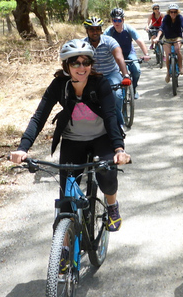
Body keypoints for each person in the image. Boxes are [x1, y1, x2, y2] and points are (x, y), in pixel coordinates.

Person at [9, 39, 131, 231]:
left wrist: (118, 149)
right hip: (73, 141)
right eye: (75, 62)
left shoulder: (101, 84)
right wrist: (23, 148)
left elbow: (110, 117)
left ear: (91, 64)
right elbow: (39, 117)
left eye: (86, 62)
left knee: (107, 176)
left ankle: (112, 205)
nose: (81, 67)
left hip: (101, 138)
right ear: (66, 65)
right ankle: (64, 246)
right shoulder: (59, 85)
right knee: (66, 201)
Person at [83, 17, 131, 126]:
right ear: (87, 31)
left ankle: (118, 124)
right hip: (92, 76)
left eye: (97, 29)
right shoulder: (83, 44)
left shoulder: (109, 41)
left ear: (101, 30)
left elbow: (119, 58)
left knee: (115, 95)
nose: (95, 32)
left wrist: (126, 75)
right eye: (92, 29)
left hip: (111, 74)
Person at [105, 8, 150, 99]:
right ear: (111, 21)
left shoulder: (129, 29)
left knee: (136, 70)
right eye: (114, 20)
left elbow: (140, 41)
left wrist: (146, 54)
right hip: (115, 56)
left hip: (129, 53)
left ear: (123, 20)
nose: (116, 22)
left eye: (119, 20)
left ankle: (133, 89)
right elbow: (102, 43)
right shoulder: (109, 31)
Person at [154, 3, 183, 83]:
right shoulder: (166, 18)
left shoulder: (180, 18)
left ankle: (180, 67)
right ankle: (168, 73)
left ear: (177, 12)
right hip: (167, 38)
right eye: (171, 12)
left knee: (177, 50)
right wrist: (157, 37)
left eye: (175, 12)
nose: (173, 13)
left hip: (177, 37)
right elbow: (161, 28)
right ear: (169, 12)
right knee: (167, 55)